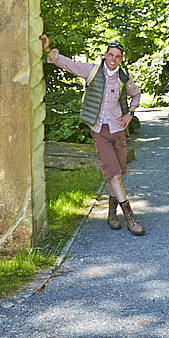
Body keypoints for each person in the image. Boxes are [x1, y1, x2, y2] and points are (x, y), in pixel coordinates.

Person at [40, 34, 145, 236]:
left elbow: (136, 94)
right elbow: (67, 64)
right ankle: (130, 217)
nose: (113, 59)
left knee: (118, 176)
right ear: (105, 55)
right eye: (111, 55)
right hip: (99, 131)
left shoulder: (124, 78)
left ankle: (112, 215)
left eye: (118, 56)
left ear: (121, 59)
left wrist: (130, 114)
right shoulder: (92, 71)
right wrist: (48, 51)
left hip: (118, 130)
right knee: (114, 175)